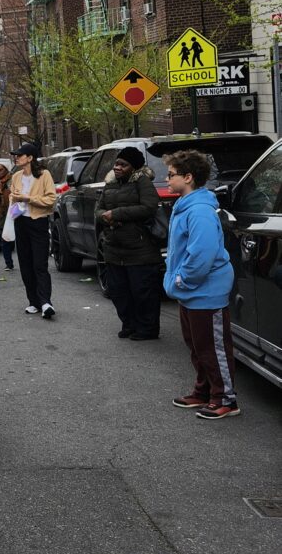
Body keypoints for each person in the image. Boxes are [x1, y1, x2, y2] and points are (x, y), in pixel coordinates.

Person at [164, 150, 239, 419]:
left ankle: (225, 399)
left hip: (204, 290)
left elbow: (202, 253)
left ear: (188, 177)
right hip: (191, 291)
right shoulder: (186, 206)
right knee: (197, 346)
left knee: (212, 347)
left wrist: (183, 279)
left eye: (171, 175)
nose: (167, 179)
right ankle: (204, 392)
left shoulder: (199, 211)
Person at [95, 146, 163, 341]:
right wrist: (105, 217)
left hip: (139, 249)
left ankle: (147, 328)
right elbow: (98, 210)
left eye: (123, 165)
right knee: (118, 291)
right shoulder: (110, 184)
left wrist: (117, 214)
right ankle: (129, 324)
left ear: (133, 167)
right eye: (116, 163)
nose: (117, 167)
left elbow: (149, 207)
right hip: (114, 247)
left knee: (143, 292)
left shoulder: (142, 182)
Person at [9, 143, 57, 319]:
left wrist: (27, 198)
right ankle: (33, 302)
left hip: (38, 223)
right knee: (25, 264)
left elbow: (51, 199)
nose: (17, 157)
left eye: (20, 155)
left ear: (30, 158)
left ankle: (46, 302)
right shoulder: (16, 176)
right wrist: (14, 202)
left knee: (40, 264)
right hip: (20, 222)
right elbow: (13, 198)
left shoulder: (44, 175)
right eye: (16, 155)